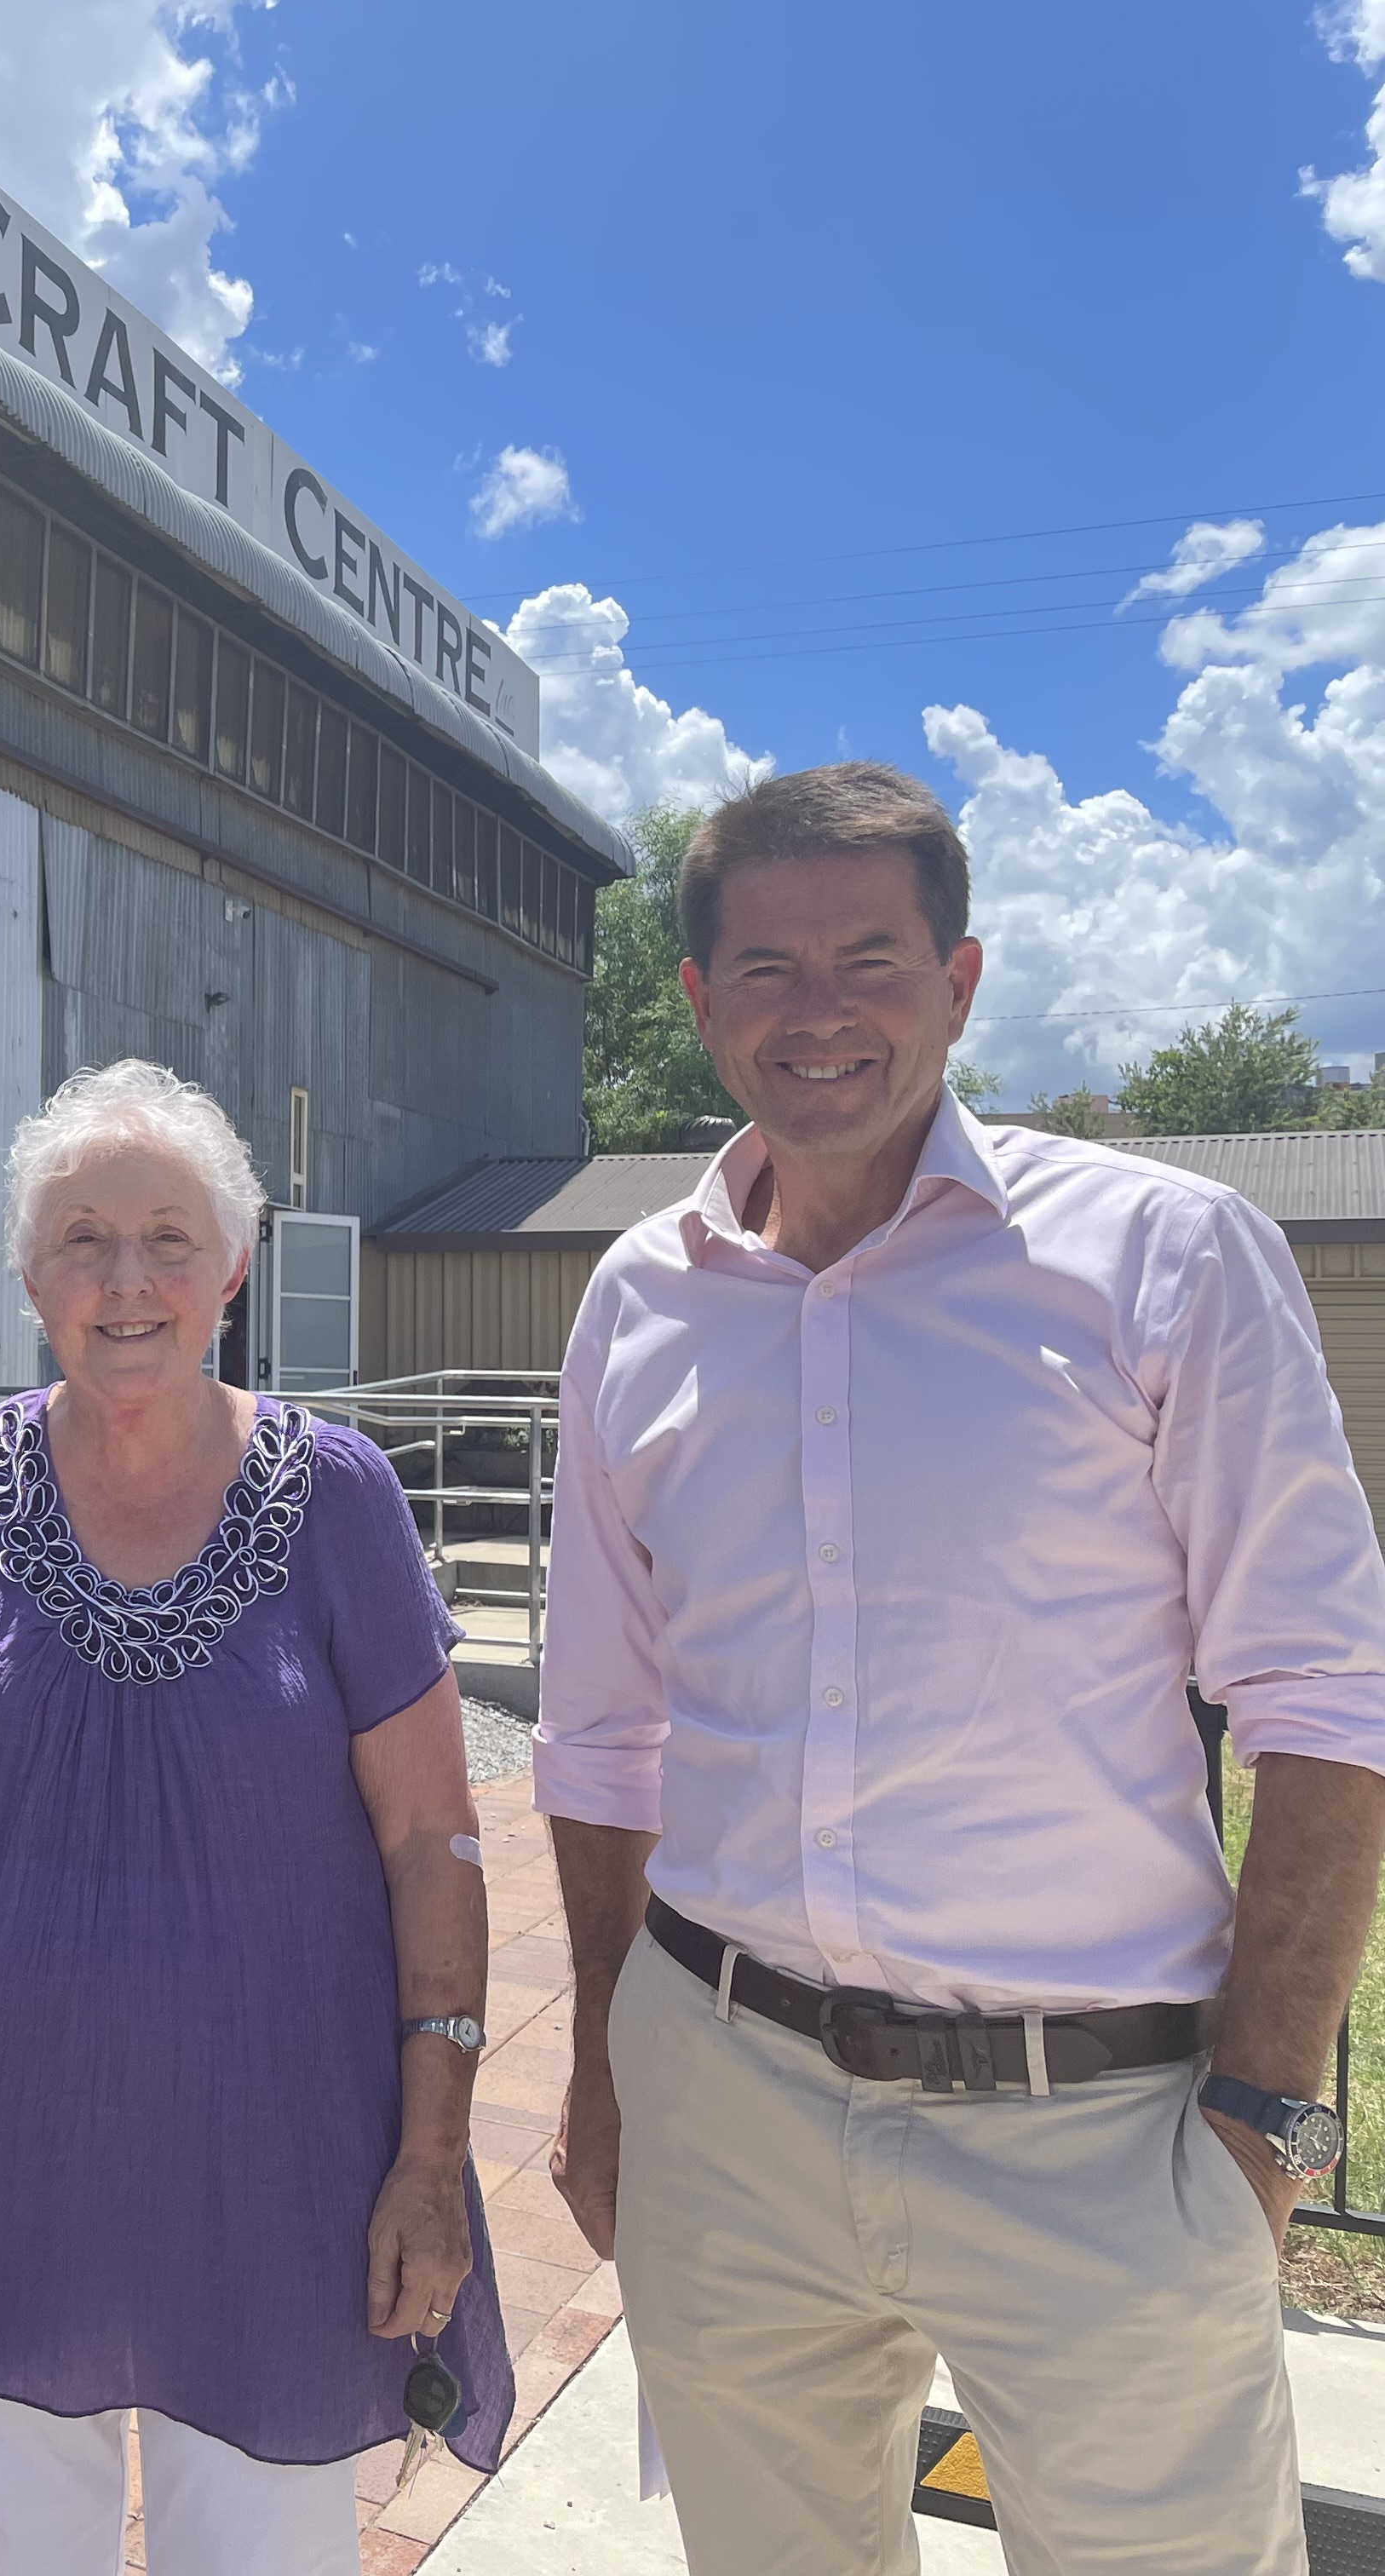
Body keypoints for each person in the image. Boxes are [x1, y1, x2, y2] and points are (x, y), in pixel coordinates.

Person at [537, 761, 1385, 2573]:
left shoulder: (1162, 1261)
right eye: (764, 969)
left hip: (1102, 2124)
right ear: (694, 1001)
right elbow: (603, 1742)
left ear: (965, 980)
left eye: (872, 958)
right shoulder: (639, 1300)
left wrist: (1261, 2128)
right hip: (729, 2095)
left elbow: (1326, 1708)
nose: (819, 1011)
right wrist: (615, 2081)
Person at [0, 1057, 509, 2576]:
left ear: (236, 1265)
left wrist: (432, 2153)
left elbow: (430, 1842)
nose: (125, 1279)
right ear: (27, 1275)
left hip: (277, 2164)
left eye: (169, 1238)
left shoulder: (337, 1499)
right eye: (81, 1238)